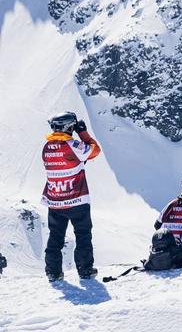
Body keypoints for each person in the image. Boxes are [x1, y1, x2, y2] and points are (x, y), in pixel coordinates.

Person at [42, 111, 102, 281]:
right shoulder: (73, 146)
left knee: (55, 237)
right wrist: (82, 131)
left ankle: (53, 272)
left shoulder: (46, 147)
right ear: (69, 127)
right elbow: (95, 150)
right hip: (77, 200)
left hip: (54, 201)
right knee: (83, 235)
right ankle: (85, 270)